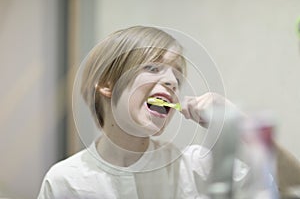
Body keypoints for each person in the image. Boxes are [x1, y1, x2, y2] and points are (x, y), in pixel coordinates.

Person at [38, 26, 300, 199]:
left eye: (177, 75)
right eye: (153, 68)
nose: (172, 82)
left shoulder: (197, 167)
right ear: (107, 84)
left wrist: (239, 123)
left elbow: (292, 187)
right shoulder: (64, 181)